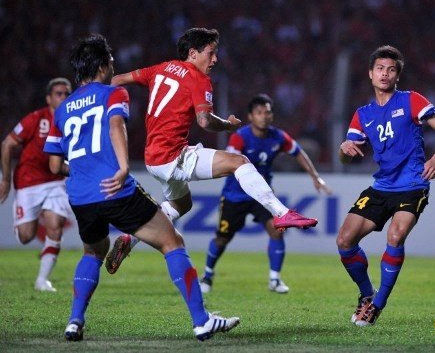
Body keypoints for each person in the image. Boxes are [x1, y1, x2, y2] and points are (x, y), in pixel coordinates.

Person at [43, 34, 239, 342]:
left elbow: (55, 165)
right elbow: (116, 126)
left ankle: (74, 320)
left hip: (80, 195)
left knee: (93, 251)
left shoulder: (62, 109)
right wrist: (122, 167)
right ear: (103, 65)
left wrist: (83, 173)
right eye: (110, 62)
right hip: (116, 189)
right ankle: (202, 321)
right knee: (172, 242)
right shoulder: (114, 94)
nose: (113, 66)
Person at [105, 27, 317, 274]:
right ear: (193, 53)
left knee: (181, 205)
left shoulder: (161, 68)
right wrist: (226, 124)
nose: (215, 59)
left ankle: (131, 239)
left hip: (152, 159)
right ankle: (281, 213)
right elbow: (204, 121)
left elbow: (116, 80)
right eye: (211, 53)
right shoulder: (198, 79)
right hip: (173, 157)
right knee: (239, 162)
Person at [336, 45, 435, 327]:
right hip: (381, 186)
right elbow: (346, 158)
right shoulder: (362, 114)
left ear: (397, 75)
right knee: (344, 241)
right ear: (370, 74)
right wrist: (344, 148)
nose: (384, 74)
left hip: (413, 184)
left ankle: (377, 305)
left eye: (390, 69)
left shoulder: (411, 100)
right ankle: (367, 295)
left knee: (395, 235)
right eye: (380, 68)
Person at [199, 93, 331, 294]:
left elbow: (298, 152)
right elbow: (229, 161)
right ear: (251, 116)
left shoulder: (278, 137)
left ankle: (275, 279)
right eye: (259, 113)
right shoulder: (240, 137)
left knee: (276, 230)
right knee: (222, 238)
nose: (264, 116)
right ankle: (207, 275)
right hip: (235, 196)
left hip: (262, 198)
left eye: (267, 112)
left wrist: (315, 177)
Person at [0, 77, 72, 292]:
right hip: (29, 182)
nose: (64, 97)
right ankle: (23, 221)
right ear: (48, 98)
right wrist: (5, 178)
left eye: (67, 93)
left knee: (55, 226)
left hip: (55, 182)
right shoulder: (36, 118)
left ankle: (42, 280)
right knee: (25, 236)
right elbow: (7, 144)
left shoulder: (72, 119)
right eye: (59, 93)